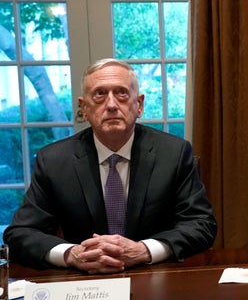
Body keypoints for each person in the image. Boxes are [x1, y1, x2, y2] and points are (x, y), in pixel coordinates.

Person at [3, 59, 217, 273]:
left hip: (154, 277)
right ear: (84, 108)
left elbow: (201, 225)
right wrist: (72, 255)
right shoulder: (54, 161)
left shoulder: (174, 154)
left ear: (139, 105)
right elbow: (20, 234)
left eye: (122, 93)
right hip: (83, 283)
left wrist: (144, 250)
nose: (112, 105)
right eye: (100, 94)